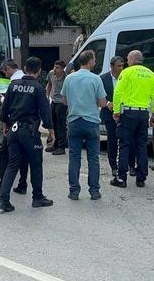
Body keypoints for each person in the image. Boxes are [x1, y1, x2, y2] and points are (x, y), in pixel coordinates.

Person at [0, 57, 55, 212]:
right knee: (36, 164)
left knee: (12, 165)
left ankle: (3, 199)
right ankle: (37, 197)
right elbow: (45, 111)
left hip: (13, 130)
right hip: (29, 132)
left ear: (25, 68)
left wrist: (5, 127)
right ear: (39, 71)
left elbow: (4, 110)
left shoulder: (13, 85)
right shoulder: (38, 88)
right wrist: (51, 132)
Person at [61, 49, 107, 200]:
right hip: (91, 122)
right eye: (94, 60)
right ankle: (94, 191)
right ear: (90, 61)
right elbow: (102, 102)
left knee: (74, 157)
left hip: (74, 121)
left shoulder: (69, 78)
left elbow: (64, 101)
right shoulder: (96, 79)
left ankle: (74, 191)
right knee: (93, 158)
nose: (95, 62)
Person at [111, 50, 154, 188]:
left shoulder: (126, 72)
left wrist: (116, 111)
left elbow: (117, 92)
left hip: (128, 113)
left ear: (132, 59)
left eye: (127, 59)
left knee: (124, 144)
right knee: (142, 145)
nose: (126, 61)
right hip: (143, 114)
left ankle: (121, 178)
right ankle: (141, 178)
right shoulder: (151, 74)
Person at [0, 59, 29, 196]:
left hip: (13, 124)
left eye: (4, 72)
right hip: (27, 124)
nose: (5, 75)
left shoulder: (13, 83)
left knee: (4, 154)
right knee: (24, 155)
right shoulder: (27, 79)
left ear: (8, 68)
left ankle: (2, 186)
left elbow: (7, 107)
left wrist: (4, 124)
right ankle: (22, 184)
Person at [100, 56, 124, 178]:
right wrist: (107, 103)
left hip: (124, 113)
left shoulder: (125, 76)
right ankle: (113, 166)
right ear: (112, 66)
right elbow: (99, 94)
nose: (121, 68)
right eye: (119, 65)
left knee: (126, 140)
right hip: (109, 114)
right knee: (112, 140)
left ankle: (127, 165)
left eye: (122, 65)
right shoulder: (103, 78)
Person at [45, 60, 68, 155]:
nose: (55, 69)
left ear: (62, 69)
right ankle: (55, 144)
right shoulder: (51, 74)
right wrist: (47, 95)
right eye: (54, 67)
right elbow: (49, 84)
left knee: (61, 125)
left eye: (57, 68)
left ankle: (61, 147)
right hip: (53, 101)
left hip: (62, 102)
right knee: (53, 123)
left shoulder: (66, 77)